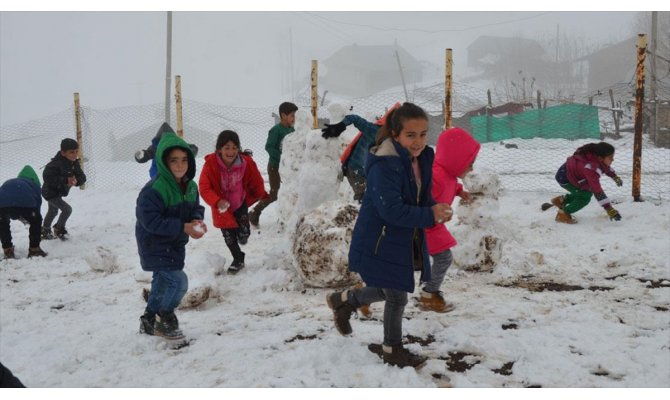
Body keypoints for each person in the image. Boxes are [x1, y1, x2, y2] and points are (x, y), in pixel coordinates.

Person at [325, 102, 453, 369]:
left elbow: (420, 196)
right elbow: (392, 210)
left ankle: (344, 301)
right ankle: (392, 348)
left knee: (389, 288)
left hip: (400, 236)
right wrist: (429, 215)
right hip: (379, 237)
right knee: (396, 295)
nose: (418, 141)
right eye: (410, 135)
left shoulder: (420, 158)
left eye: (423, 134)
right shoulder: (384, 165)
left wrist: (433, 208)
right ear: (395, 134)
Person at [136, 131, 207, 340]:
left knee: (161, 282)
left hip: (175, 243)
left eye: (184, 160)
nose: (179, 165)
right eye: (174, 160)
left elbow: (196, 207)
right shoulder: (154, 190)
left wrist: (196, 220)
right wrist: (183, 227)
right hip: (154, 243)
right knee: (178, 282)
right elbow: (149, 221)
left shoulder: (190, 186)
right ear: (163, 162)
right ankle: (164, 317)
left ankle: (149, 319)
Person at [423, 128, 480, 313]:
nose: (471, 168)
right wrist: (432, 211)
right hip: (426, 226)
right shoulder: (436, 176)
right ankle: (429, 294)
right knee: (443, 258)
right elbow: (422, 197)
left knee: (426, 260)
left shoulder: (446, 174)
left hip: (433, 225)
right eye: (469, 163)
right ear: (455, 160)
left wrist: (459, 191)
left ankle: (428, 292)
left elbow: (451, 184)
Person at [199, 130, 268, 274]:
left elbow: (256, 180)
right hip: (221, 207)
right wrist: (216, 201)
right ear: (219, 149)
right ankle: (238, 259)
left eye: (234, 147)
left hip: (239, 202)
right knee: (229, 237)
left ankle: (243, 234)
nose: (231, 151)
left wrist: (260, 193)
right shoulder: (211, 165)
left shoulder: (245, 163)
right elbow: (204, 187)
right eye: (227, 148)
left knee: (243, 233)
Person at [321, 103, 401, 202]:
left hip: (368, 173)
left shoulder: (396, 141)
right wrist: (340, 126)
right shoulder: (375, 131)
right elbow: (355, 118)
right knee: (363, 198)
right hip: (356, 170)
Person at [545, 142, 623, 224]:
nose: (613, 159)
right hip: (565, 179)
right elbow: (597, 190)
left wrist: (614, 176)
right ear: (600, 158)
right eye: (610, 157)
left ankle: (561, 200)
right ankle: (563, 214)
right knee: (584, 197)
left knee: (583, 192)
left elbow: (604, 167)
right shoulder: (590, 169)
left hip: (569, 173)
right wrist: (608, 208)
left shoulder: (594, 156)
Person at [249, 102, 298, 227]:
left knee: (291, 192)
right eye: (292, 115)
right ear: (283, 115)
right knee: (274, 194)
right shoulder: (276, 130)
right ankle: (255, 212)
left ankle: (289, 218)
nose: (294, 118)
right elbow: (269, 147)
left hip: (287, 168)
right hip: (275, 167)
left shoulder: (292, 130)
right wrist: (282, 158)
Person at [41, 138, 87, 240]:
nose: (75, 154)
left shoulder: (74, 163)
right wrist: (65, 180)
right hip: (50, 192)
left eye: (76, 151)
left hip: (58, 191)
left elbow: (82, 176)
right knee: (67, 210)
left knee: (53, 211)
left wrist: (77, 181)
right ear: (63, 153)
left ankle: (45, 230)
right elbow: (47, 177)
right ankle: (59, 229)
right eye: (71, 152)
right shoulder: (55, 164)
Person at [0, 166, 48, 259]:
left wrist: (15, 214)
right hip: (25, 202)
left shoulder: (11, 181)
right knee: (36, 221)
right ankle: (34, 250)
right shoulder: (34, 185)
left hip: (2, 204)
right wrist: (34, 219)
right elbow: (37, 205)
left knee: (3, 224)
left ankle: (7, 250)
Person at [134, 122, 199, 179]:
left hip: (174, 173)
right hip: (158, 175)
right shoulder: (156, 147)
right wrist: (142, 156)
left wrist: (188, 150)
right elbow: (148, 153)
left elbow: (194, 148)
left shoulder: (176, 146)